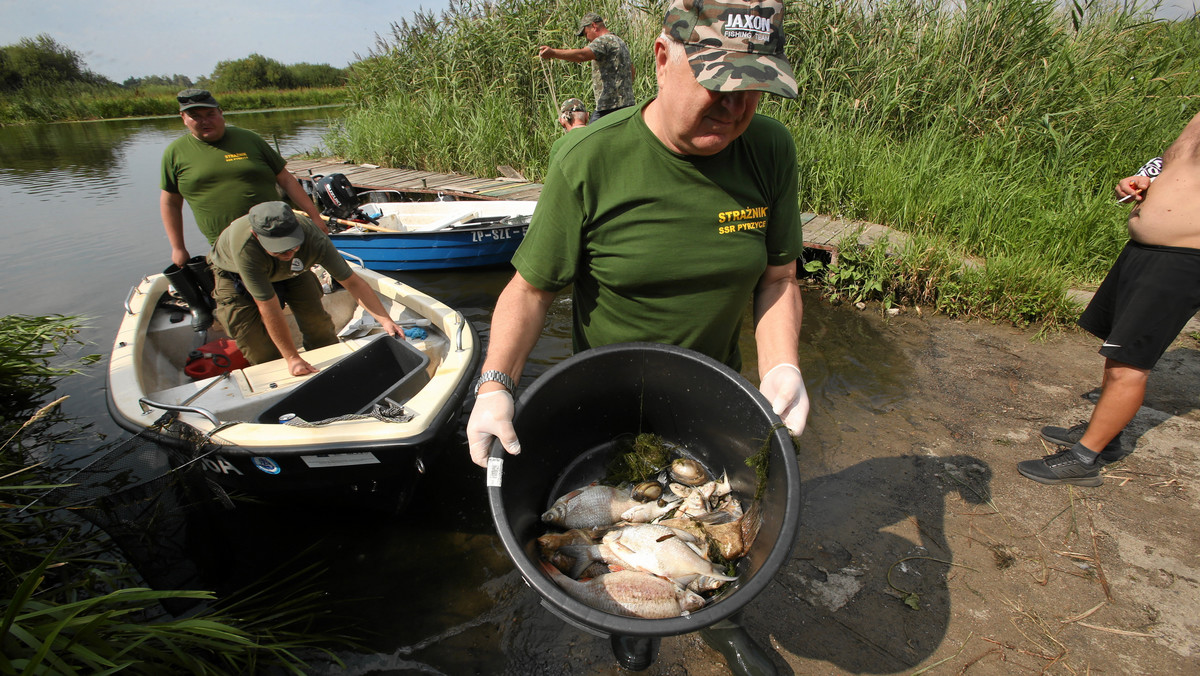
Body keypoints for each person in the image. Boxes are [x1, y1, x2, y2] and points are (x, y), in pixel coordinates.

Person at [471, 1, 807, 673]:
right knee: (616, 536)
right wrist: (495, 384)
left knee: (728, 528)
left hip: (717, 389)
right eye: (717, 83)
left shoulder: (769, 150)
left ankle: (721, 617)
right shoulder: (589, 157)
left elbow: (777, 279)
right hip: (608, 396)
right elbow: (530, 290)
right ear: (660, 59)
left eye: (753, 89)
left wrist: (782, 367)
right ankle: (633, 623)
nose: (735, 108)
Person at [1018, 110, 1200, 487]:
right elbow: (1173, 161)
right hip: (1147, 252)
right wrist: (1145, 178)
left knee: (1130, 363)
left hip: (1183, 260)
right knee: (1117, 351)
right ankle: (1108, 436)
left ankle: (1085, 458)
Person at [208, 201, 401, 376]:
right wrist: (292, 358)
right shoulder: (245, 249)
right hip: (234, 273)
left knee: (318, 324)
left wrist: (385, 320)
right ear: (256, 235)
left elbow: (352, 282)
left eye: (292, 245)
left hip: (294, 270)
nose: (287, 252)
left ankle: (332, 373)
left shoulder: (313, 238)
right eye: (280, 248)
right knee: (256, 345)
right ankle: (286, 378)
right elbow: (268, 307)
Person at [160, 88, 327, 268]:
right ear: (183, 118)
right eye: (195, 116)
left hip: (279, 236)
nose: (205, 121)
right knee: (245, 292)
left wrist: (315, 216)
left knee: (297, 286)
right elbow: (170, 203)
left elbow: (286, 180)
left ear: (220, 113)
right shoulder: (175, 153)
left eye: (210, 114)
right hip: (227, 245)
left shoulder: (250, 139)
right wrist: (178, 247)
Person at [539, 12, 635, 121]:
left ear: (594, 26)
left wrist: (553, 53)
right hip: (627, 105)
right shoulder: (620, 42)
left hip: (609, 107)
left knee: (590, 136)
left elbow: (582, 55)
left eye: (586, 33)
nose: (587, 38)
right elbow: (631, 70)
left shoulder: (603, 40)